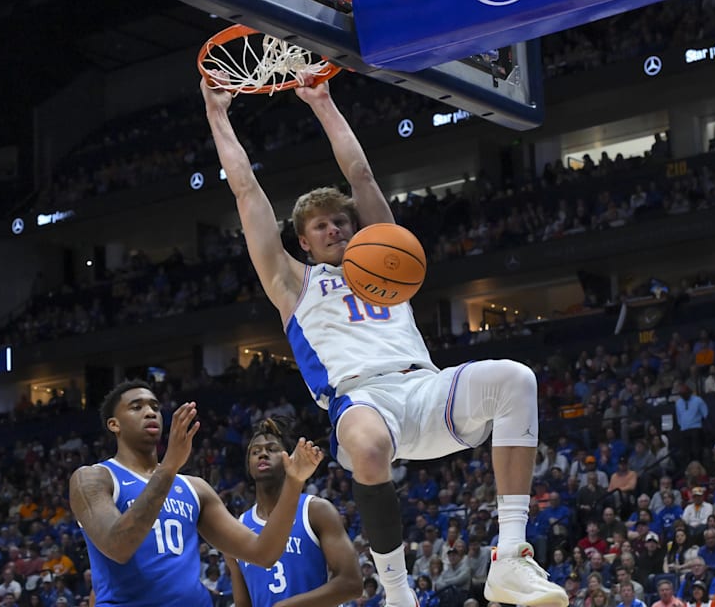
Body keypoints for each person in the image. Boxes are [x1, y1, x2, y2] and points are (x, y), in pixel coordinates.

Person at [201, 74, 566, 607]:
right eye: (321, 226)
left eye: (341, 221)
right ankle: (398, 593)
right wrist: (217, 114)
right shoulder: (292, 282)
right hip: (360, 402)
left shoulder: (386, 262)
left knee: (517, 379)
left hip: (424, 388)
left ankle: (510, 558)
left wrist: (322, 101)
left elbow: (361, 173)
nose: (334, 230)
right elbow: (246, 191)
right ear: (302, 240)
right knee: (369, 444)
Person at [69, 379, 323, 607]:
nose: (150, 412)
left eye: (155, 407)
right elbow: (118, 546)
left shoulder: (194, 487)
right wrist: (169, 466)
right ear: (114, 424)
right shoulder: (94, 478)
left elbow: (263, 553)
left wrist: (294, 482)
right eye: (137, 407)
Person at [226, 418, 362, 607]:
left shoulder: (315, 511)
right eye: (255, 452)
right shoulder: (237, 529)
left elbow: (351, 583)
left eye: (271, 449)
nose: (263, 454)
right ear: (248, 465)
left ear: (287, 459)